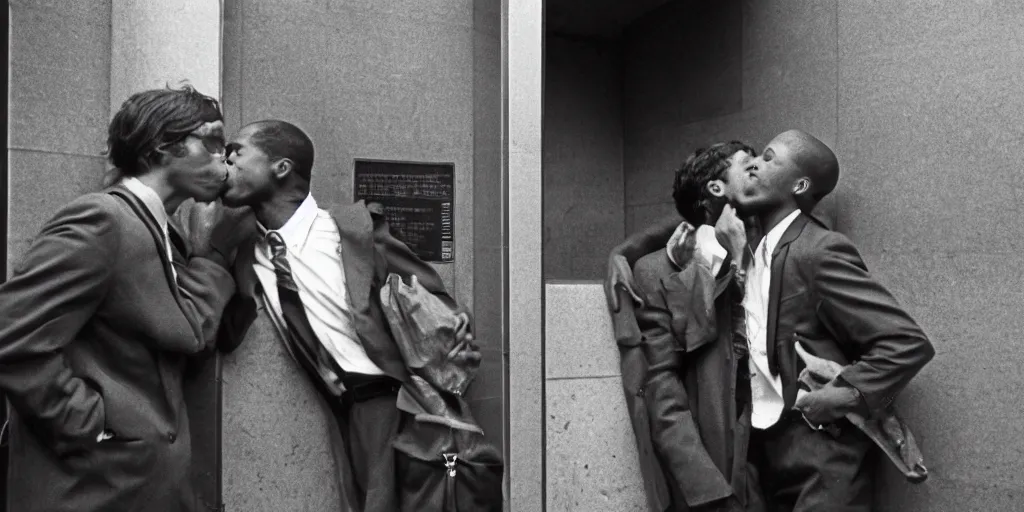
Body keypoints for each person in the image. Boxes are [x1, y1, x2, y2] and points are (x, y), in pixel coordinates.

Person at [0, 85, 245, 512]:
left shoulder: (165, 232)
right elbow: (13, 335)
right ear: (159, 147)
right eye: (211, 141)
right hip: (92, 490)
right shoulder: (102, 220)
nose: (223, 158)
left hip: (141, 489)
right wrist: (87, 426)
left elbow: (187, 333)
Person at [216, 120, 480, 512]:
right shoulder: (249, 252)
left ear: (281, 168)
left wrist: (457, 323)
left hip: (399, 402)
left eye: (236, 151)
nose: (226, 160)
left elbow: (433, 296)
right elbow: (227, 335)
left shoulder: (351, 229)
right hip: (348, 412)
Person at [727, 129, 934, 510]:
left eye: (769, 158)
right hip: (765, 453)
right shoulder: (756, 249)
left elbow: (906, 342)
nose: (754, 163)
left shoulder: (819, 250)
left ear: (800, 184)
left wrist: (847, 395)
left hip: (822, 458)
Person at [624, 141, 765, 511]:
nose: (760, 171)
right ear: (717, 189)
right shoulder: (658, 269)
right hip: (722, 458)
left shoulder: (774, 246)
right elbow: (661, 384)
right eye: (748, 165)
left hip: (787, 453)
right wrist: (706, 487)